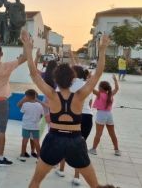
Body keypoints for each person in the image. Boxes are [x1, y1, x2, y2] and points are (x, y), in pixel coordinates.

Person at [21, 30, 114, 188]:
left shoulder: (52, 95)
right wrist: (103, 49)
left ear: (55, 79)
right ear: (72, 79)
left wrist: (28, 49)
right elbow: (98, 74)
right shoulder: (79, 96)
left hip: (54, 139)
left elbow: (33, 74)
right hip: (75, 141)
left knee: (35, 182)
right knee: (96, 186)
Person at [56, 66, 95, 185]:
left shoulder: (67, 84)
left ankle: (62, 170)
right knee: (80, 146)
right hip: (87, 116)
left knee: (64, 142)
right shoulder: (87, 84)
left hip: (73, 116)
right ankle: (77, 176)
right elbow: (90, 103)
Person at [90, 75, 121, 157]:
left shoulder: (99, 94)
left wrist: (90, 78)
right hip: (109, 115)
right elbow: (117, 89)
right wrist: (115, 80)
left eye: (99, 86)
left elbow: (90, 88)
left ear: (101, 88)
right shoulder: (110, 94)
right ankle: (117, 150)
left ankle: (93, 149)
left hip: (101, 115)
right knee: (112, 133)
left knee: (98, 133)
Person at [17, 89, 44, 162]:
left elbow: (21, 110)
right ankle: (39, 158)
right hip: (35, 126)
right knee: (37, 142)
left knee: (24, 141)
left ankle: (22, 156)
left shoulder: (25, 104)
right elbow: (41, 115)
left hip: (26, 126)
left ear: (27, 97)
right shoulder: (40, 105)